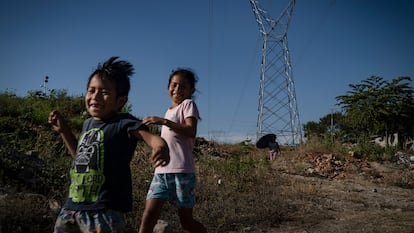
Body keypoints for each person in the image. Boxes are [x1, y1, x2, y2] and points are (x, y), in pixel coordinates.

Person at [48, 56, 170, 233]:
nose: (95, 96)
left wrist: (160, 146)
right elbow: (80, 157)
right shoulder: (87, 124)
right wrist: (64, 131)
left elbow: (150, 138)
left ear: (120, 101)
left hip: (104, 213)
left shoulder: (124, 122)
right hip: (71, 209)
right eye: (91, 90)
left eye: (104, 92)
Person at [139, 68, 207, 233]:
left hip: (182, 172)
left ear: (191, 90)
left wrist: (164, 122)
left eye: (183, 86)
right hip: (161, 173)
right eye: (174, 85)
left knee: (186, 222)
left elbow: (191, 131)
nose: (177, 90)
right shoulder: (168, 111)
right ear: (168, 87)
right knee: (148, 216)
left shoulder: (188, 104)